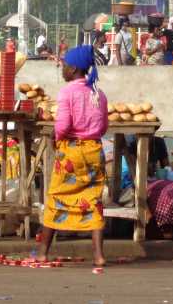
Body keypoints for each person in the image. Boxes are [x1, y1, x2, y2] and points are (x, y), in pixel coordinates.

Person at [38, 45, 108, 266]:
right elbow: (103, 126)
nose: (62, 69)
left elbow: (63, 125)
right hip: (94, 151)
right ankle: (98, 256)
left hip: (71, 152)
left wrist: (56, 138)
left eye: (65, 65)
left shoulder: (67, 92)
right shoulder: (98, 93)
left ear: (74, 68)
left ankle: (42, 253)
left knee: (57, 197)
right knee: (93, 200)